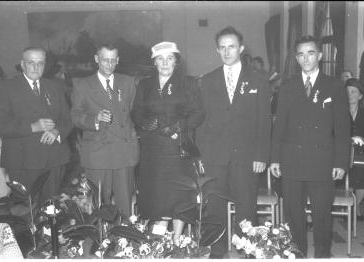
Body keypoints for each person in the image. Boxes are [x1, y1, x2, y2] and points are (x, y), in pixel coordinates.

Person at [269, 35, 351, 258]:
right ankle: (298, 254)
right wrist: (275, 158)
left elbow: (343, 129)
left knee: (322, 216)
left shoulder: (334, 85)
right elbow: (279, 127)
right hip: (292, 161)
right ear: (296, 58)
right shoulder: (286, 87)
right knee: (294, 216)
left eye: (311, 53)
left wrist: (340, 162)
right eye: (301, 54)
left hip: (323, 164)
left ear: (320, 56)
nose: (306, 58)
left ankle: (322, 255)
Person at [196, 26, 271, 258]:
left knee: (246, 208)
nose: (227, 51)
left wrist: (261, 155)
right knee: (215, 208)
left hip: (247, 156)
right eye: (222, 47)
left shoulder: (258, 79)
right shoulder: (207, 81)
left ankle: (246, 252)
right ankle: (217, 253)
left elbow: (264, 121)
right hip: (215, 156)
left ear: (241, 48)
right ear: (217, 50)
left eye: (232, 46)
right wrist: (201, 155)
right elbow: (201, 121)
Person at [131, 41, 204, 245]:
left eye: (169, 58)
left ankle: (178, 240)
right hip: (152, 150)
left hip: (177, 147)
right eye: (160, 59)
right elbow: (135, 112)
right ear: (154, 62)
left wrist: (178, 127)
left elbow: (199, 113)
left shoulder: (188, 83)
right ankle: (160, 240)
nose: (165, 63)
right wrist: (144, 122)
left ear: (176, 62)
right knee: (156, 194)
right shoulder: (145, 84)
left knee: (178, 194)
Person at [0, 47, 72, 206]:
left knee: (51, 210)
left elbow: (68, 119)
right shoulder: (5, 88)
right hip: (23, 161)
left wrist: (57, 132)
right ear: (23, 65)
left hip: (54, 159)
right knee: (27, 211)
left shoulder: (55, 87)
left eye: (40, 63)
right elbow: (1, 126)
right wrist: (32, 127)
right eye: (31, 63)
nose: (36, 67)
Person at [71, 43, 139, 217]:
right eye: (104, 60)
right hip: (98, 153)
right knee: (99, 207)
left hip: (124, 152)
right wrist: (95, 119)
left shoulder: (128, 82)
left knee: (125, 206)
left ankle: (126, 241)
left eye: (113, 60)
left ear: (118, 60)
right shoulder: (82, 85)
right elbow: (75, 116)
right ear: (96, 59)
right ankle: (101, 242)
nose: (109, 64)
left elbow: (136, 112)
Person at [345, 78, 364, 221]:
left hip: (361, 152)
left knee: (361, 166)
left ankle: (356, 204)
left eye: (353, 92)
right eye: (347, 92)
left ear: (360, 96)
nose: (350, 95)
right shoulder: (338, 112)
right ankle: (349, 204)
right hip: (343, 151)